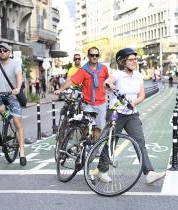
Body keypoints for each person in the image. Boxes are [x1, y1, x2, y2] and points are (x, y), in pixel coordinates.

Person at [101, 48, 166, 184]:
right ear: (123, 62)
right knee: (111, 142)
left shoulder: (138, 75)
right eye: (131, 59)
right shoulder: (118, 74)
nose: (134, 62)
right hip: (116, 113)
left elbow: (141, 95)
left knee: (139, 141)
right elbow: (107, 82)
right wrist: (110, 85)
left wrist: (133, 103)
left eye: (135, 59)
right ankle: (102, 170)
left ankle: (149, 173)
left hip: (131, 114)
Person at [55, 47, 109, 141]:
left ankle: (94, 150)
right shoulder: (83, 70)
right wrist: (61, 89)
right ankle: (84, 144)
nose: (94, 57)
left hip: (101, 103)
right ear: (88, 56)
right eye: (92, 55)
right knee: (85, 126)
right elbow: (71, 80)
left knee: (98, 128)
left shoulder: (103, 68)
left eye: (96, 55)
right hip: (88, 103)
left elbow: (109, 80)